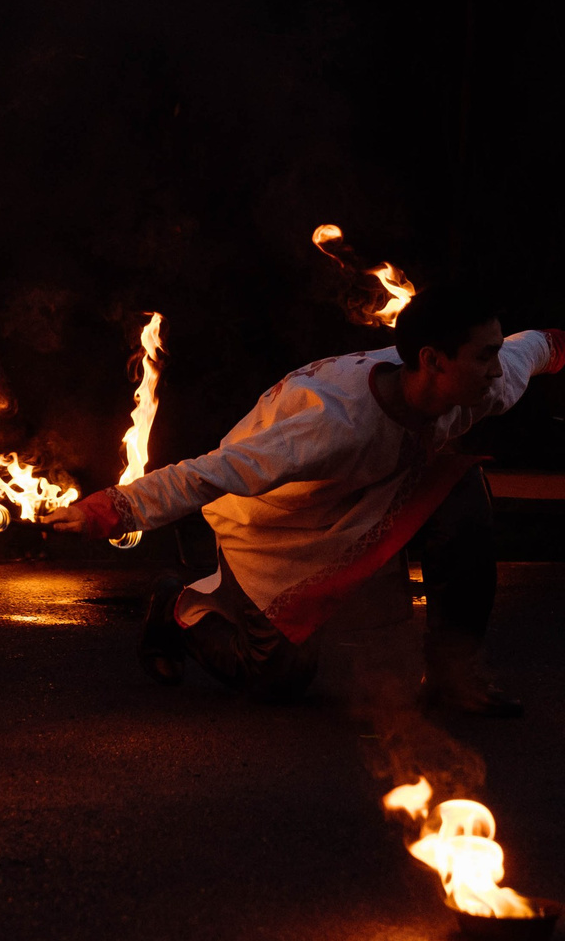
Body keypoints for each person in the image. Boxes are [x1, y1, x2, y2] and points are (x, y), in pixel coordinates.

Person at [53, 285, 563, 714]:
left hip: (363, 498)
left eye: (494, 352)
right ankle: (175, 609)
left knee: (461, 489)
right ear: (432, 360)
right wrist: (103, 511)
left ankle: (455, 675)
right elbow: (206, 475)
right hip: (276, 526)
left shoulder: (483, 386)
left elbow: (534, 348)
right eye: (484, 356)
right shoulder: (329, 423)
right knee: (276, 679)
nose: (497, 369)